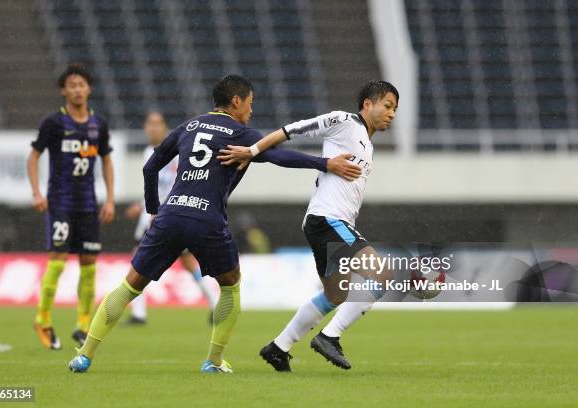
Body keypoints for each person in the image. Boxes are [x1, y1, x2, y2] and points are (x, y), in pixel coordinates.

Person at [68, 74, 361, 373]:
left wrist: (154, 210)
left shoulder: (189, 126)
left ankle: (84, 355)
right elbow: (280, 156)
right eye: (249, 103)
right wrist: (325, 163)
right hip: (206, 218)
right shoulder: (241, 133)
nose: (250, 110)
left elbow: (150, 166)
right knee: (230, 286)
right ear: (236, 101)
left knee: (130, 285)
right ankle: (214, 361)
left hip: (170, 215)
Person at [219, 80, 399, 371]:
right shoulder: (343, 121)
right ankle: (329, 337)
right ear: (368, 104)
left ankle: (278, 347)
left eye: (395, 109)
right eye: (387, 106)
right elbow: (290, 130)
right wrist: (252, 151)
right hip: (329, 219)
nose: (392, 113)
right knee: (382, 275)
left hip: (327, 222)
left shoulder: (366, 141)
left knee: (336, 294)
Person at [27, 63, 115, 350]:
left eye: (82, 84)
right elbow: (33, 157)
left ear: (89, 88)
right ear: (64, 91)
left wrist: (110, 199)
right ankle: (43, 319)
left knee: (89, 266)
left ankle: (82, 325)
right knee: (57, 259)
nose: (77, 89)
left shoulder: (98, 125)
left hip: (88, 205)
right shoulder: (54, 123)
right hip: (61, 202)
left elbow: (106, 160)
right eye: (72, 85)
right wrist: (37, 193)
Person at [125, 111, 217, 324]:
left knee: (140, 261)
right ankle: (214, 302)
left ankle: (139, 313)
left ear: (165, 127)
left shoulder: (177, 150)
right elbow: (156, 186)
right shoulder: (148, 151)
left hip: (170, 214)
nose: (153, 128)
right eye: (149, 124)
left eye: (158, 124)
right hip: (153, 214)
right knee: (184, 261)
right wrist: (141, 205)